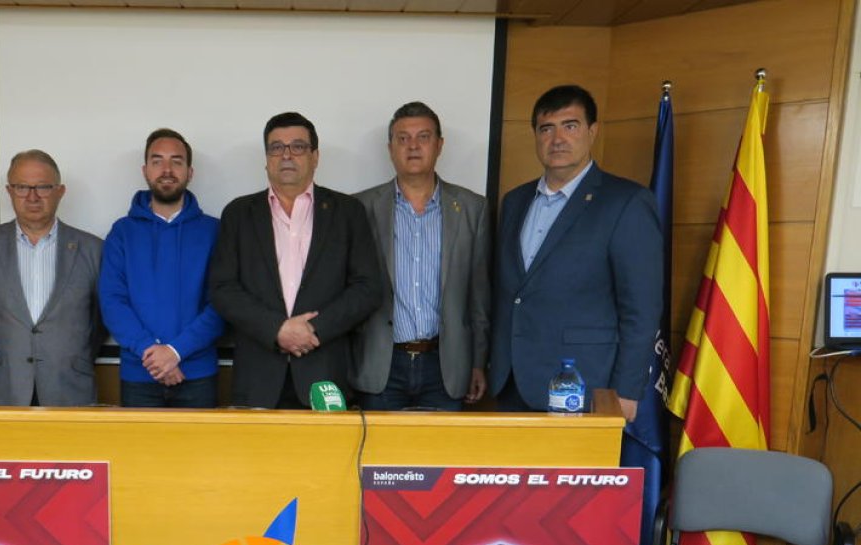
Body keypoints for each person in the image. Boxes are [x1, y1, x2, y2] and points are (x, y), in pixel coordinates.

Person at [489, 85, 663, 419]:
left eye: (570, 126)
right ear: (536, 136)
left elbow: (641, 309)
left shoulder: (626, 202)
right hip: (511, 383)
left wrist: (626, 392)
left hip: (582, 388)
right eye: (546, 128)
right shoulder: (514, 202)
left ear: (592, 131)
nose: (557, 139)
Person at [209, 112, 380, 409]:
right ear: (266, 159)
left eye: (298, 147)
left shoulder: (348, 212)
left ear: (315, 157)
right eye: (277, 147)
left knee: (326, 456)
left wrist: (314, 329)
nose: (286, 155)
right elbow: (223, 289)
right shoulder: (238, 214)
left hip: (325, 373)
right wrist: (277, 329)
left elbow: (367, 288)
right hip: (258, 376)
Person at [352, 101, 491, 411]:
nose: (412, 146)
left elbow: (478, 295)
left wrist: (478, 362)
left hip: (446, 366)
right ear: (390, 148)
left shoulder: (472, 208)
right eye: (402, 138)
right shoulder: (360, 207)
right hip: (380, 364)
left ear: (439, 145)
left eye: (423, 137)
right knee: (378, 458)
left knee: (441, 458)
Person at [0, 149, 103, 406]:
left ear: (60, 191)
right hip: (7, 385)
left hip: (70, 385)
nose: (32, 196)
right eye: (22, 187)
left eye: (43, 187)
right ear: (9, 191)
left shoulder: (93, 249)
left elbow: (99, 319)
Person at [99, 129, 224, 407]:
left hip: (198, 376)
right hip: (140, 376)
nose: (167, 170)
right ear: (145, 170)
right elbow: (112, 301)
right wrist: (153, 354)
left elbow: (222, 302)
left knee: (200, 452)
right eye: (157, 161)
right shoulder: (122, 232)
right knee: (138, 452)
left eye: (176, 161)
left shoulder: (215, 231)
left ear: (189, 172)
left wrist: (176, 352)